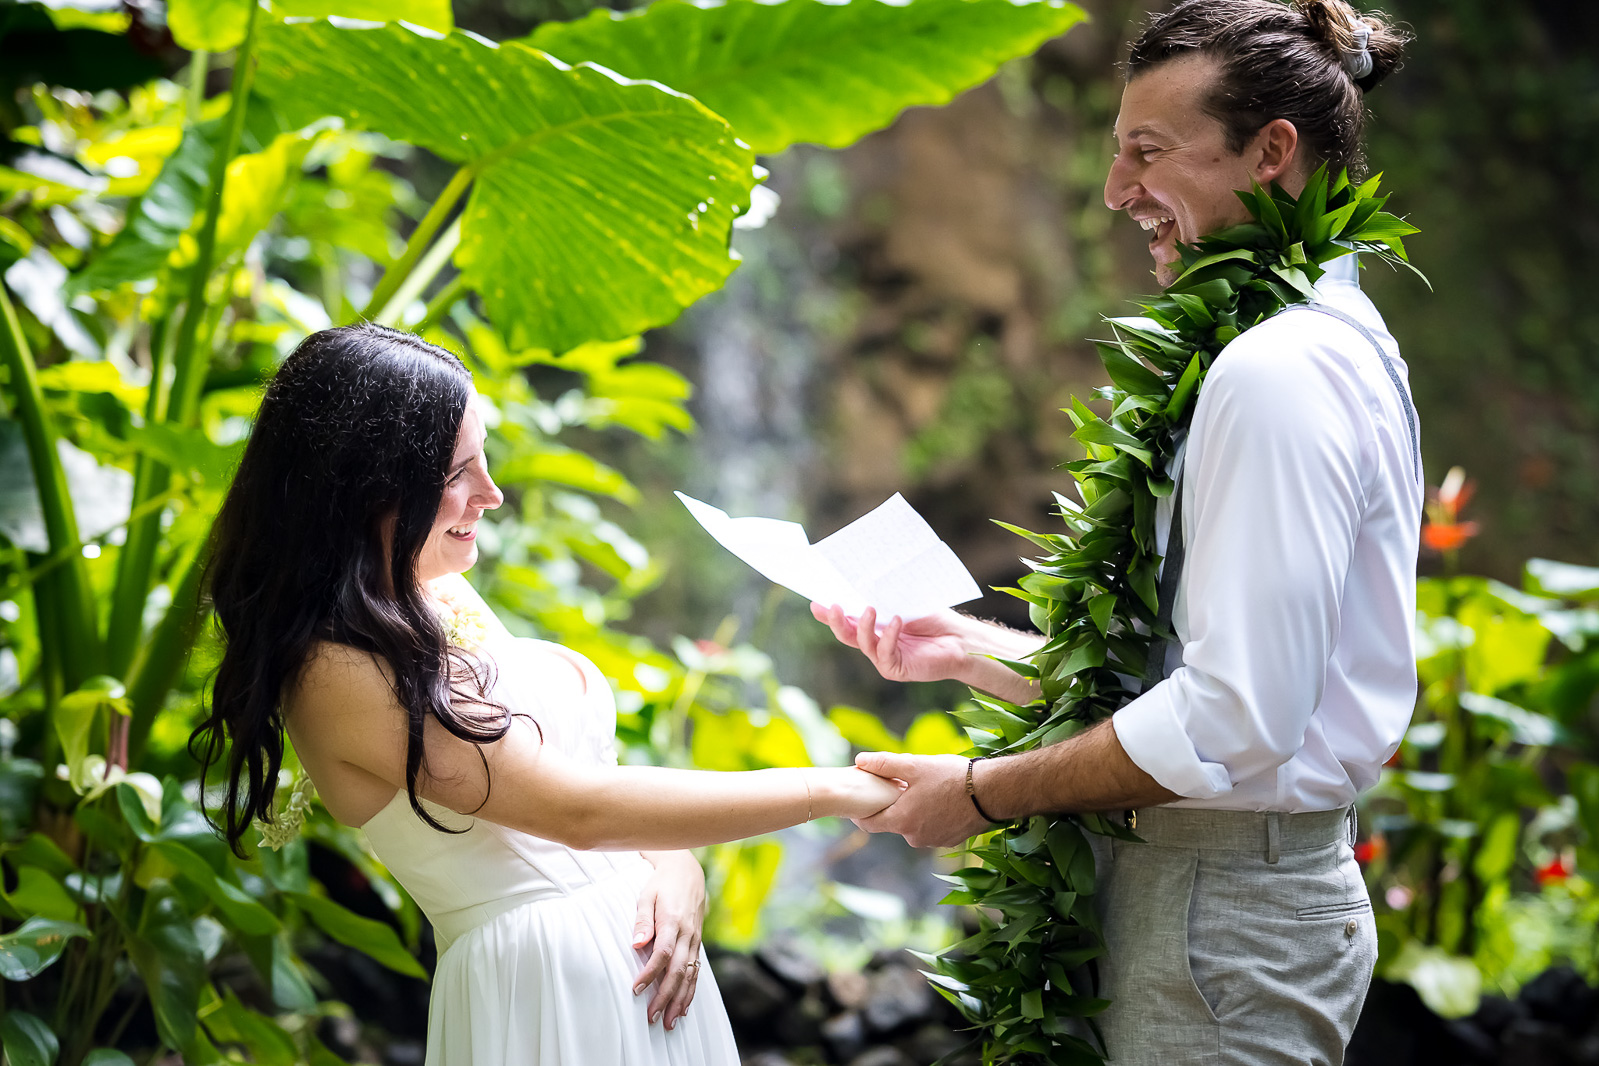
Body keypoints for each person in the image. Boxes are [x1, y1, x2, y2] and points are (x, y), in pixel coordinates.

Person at [813, 1, 1421, 1063]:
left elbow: (1235, 720)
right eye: (1115, 152)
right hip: (1210, 893)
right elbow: (1208, 677)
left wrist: (979, 793)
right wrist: (972, 648)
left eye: (1149, 151)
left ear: (1272, 151)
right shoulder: (1319, 336)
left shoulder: (1277, 369)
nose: (1116, 192)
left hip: (1218, 910)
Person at [191, 323, 900, 1066]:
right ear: (363, 487)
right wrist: (840, 790)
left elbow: (592, 788)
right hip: (545, 995)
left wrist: (673, 865)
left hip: (638, 973)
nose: (491, 494)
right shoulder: (336, 669)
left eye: (484, 458)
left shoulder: (432, 596)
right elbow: (574, 811)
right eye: (457, 473)